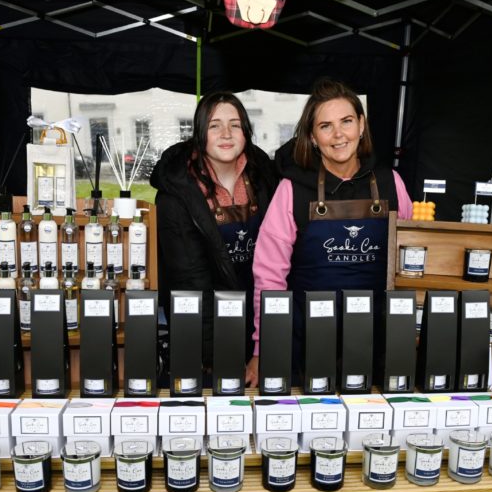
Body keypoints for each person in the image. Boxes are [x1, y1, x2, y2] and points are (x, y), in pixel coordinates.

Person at [246, 78, 413, 387]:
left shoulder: (392, 183)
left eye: (347, 121)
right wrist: (263, 347)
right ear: (312, 136)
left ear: (361, 125)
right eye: (326, 126)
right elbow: (269, 278)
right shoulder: (291, 190)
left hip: (377, 342)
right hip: (305, 344)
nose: (338, 135)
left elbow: (409, 268)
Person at [151, 91, 277, 387]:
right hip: (207, 331)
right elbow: (191, 282)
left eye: (235, 124)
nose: (226, 134)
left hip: (259, 320)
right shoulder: (175, 196)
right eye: (214, 125)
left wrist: (265, 346)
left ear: (246, 132)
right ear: (199, 134)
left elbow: (276, 266)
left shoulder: (265, 178)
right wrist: (217, 358)